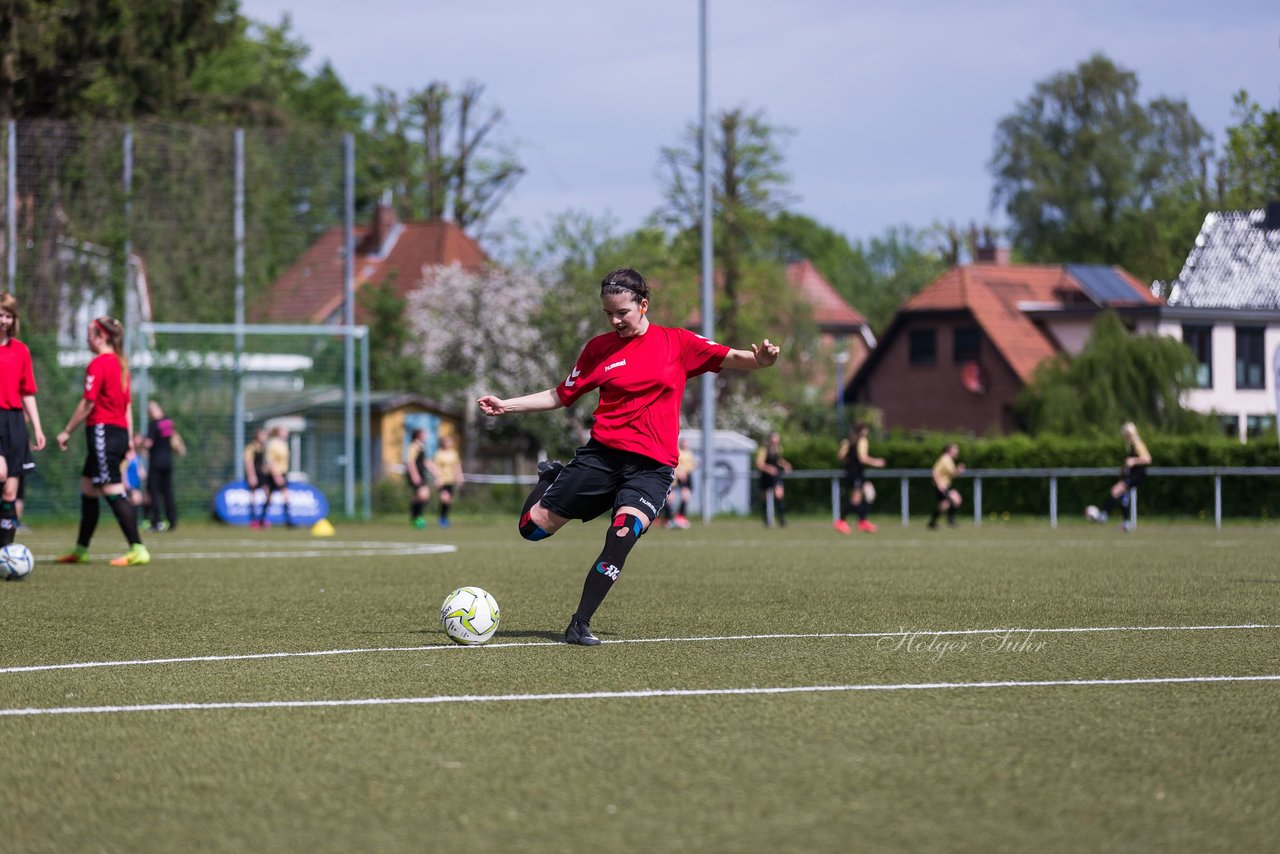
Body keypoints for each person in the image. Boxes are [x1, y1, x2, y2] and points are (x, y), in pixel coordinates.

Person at [477, 267, 780, 646]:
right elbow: (561, 395)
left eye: (623, 312)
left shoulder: (678, 343)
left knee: (623, 532)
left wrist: (764, 360)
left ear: (643, 304)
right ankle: (549, 479)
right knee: (532, 529)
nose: (616, 320)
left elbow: (735, 357)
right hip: (602, 458)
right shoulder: (598, 349)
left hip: (652, 469)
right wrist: (507, 405)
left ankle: (578, 624)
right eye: (609, 314)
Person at [54, 316, 150, 566]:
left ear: (102, 336)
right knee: (88, 488)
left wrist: (66, 431)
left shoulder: (99, 363)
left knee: (112, 489)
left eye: (89, 333)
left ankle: (138, 548)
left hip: (103, 432)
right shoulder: (121, 364)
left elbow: (88, 402)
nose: (86, 338)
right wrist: (128, 439)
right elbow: (127, 405)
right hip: (116, 433)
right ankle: (81, 549)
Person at [0, 293, 45, 546]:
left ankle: (5, 552)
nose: (4, 320)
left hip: (15, 421)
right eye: (0, 315)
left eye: (8, 316)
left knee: (10, 492)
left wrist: (37, 428)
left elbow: (27, 392)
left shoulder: (20, 351)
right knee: (0, 472)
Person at [1093, 421, 1151, 532]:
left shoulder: (1138, 443)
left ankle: (1103, 515)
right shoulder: (1131, 445)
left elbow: (1147, 459)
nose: (1124, 436)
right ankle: (1126, 523)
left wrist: (1133, 460)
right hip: (1133, 474)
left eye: (1125, 433)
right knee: (1124, 498)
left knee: (1116, 490)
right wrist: (1124, 470)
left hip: (1138, 475)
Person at [835, 422, 886, 534]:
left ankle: (862, 521)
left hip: (852, 473)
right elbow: (862, 458)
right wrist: (877, 462)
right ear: (863, 431)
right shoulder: (862, 440)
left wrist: (849, 461)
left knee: (870, 493)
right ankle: (840, 520)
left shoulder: (848, 441)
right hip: (856, 474)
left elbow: (841, 457)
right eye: (866, 430)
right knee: (855, 501)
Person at [144, 399, 185, 532]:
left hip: (156, 462)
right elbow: (174, 439)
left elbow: (148, 443)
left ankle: (156, 522)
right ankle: (172, 521)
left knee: (154, 492)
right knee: (168, 492)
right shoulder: (168, 422)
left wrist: (138, 444)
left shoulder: (153, 424)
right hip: (168, 461)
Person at [755, 431, 792, 528]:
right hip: (765, 477)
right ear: (770, 440)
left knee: (779, 496)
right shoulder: (763, 450)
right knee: (765, 499)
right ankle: (766, 521)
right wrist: (769, 469)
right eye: (774, 439)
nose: (776, 441)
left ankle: (782, 520)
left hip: (776, 476)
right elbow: (759, 464)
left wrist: (785, 465)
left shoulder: (778, 449)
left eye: (777, 439)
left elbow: (778, 460)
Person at [260, 425, 294, 527]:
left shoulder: (283, 444)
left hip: (282, 472)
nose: (286, 433)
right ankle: (288, 521)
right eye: (283, 431)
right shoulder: (273, 444)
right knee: (274, 496)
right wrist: (276, 476)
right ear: (278, 433)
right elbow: (271, 461)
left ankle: (287, 520)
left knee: (279, 496)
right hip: (274, 474)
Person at [927, 443, 964, 530]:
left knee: (944, 506)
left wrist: (958, 470)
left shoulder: (949, 460)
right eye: (955, 449)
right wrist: (939, 485)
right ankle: (951, 521)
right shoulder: (944, 459)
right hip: (942, 486)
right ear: (950, 450)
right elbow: (934, 472)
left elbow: (952, 474)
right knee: (956, 499)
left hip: (946, 486)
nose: (957, 451)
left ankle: (932, 522)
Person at [432, 434, 464, 528]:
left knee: (448, 501)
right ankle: (442, 518)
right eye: (446, 441)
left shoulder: (454, 453)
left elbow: (457, 465)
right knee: (444, 498)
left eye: (449, 441)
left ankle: (444, 517)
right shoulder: (439, 453)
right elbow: (435, 467)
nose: (448, 443)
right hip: (442, 480)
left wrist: (459, 476)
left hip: (451, 480)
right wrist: (437, 478)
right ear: (443, 443)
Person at [405, 428, 435, 529]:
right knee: (423, 495)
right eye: (424, 434)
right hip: (416, 474)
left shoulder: (422, 446)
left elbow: (425, 461)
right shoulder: (413, 446)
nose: (425, 435)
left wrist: (435, 471)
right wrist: (414, 475)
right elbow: (410, 462)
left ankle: (415, 517)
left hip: (422, 474)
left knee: (423, 496)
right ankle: (417, 518)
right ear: (418, 435)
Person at [242, 428, 269, 528]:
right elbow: (249, 463)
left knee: (267, 494)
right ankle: (254, 520)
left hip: (262, 474)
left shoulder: (263, 447)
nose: (264, 437)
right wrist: (251, 476)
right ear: (257, 435)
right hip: (254, 473)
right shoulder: (250, 447)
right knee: (252, 496)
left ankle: (262, 518)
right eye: (262, 435)